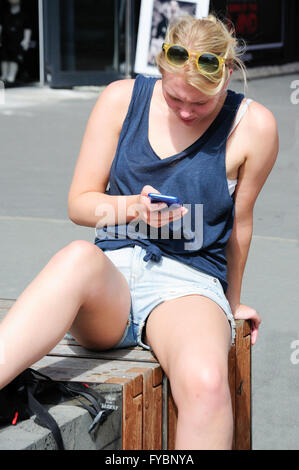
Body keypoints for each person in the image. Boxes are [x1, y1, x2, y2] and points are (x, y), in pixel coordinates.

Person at [0, 14, 278, 449]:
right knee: (75, 257)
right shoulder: (120, 99)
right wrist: (131, 209)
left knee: (206, 384)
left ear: (226, 76)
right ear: (160, 71)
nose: (186, 110)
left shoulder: (254, 126)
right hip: (109, 279)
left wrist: (233, 303)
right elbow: (79, 202)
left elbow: (241, 224)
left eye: (200, 103)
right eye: (174, 97)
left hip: (188, 284)